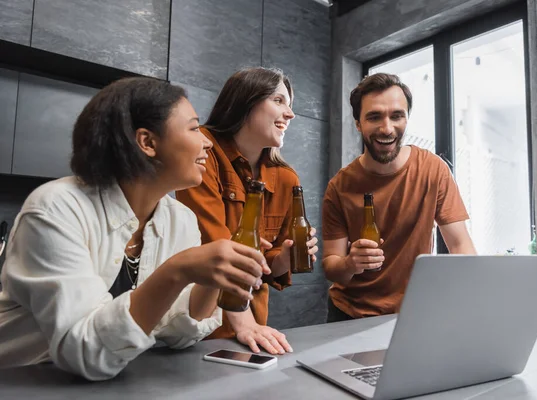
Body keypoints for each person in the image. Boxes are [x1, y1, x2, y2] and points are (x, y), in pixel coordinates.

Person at [0, 77, 269, 380]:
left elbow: (178, 334)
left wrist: (211, 278)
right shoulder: (56, 208)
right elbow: (86, 352)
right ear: (147, 142)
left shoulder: (179, 219)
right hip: (21, 383)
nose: (206, 141)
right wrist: (178, 270)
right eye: (194, 128)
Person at [176, 67, 318, 355]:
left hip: (252, 332)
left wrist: (284, 258)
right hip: (196, 328)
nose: (289, 114)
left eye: (290, 105)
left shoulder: (287, 178)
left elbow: (267, 266)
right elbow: (214, 246)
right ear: (246, 100)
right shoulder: (203, 149)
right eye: (279, 101)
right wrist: (243, 323)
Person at [322, 73, 476, 322]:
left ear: (406, 118)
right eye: (374, 117)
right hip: (349, 315)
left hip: (413, 312)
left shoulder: (433, 170)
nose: (387, 128)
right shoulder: (339, 187)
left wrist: (470, 297)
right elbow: (332, 267)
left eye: (396, 116)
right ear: (358, 123)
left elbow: (459, 244)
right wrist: (350, 263)